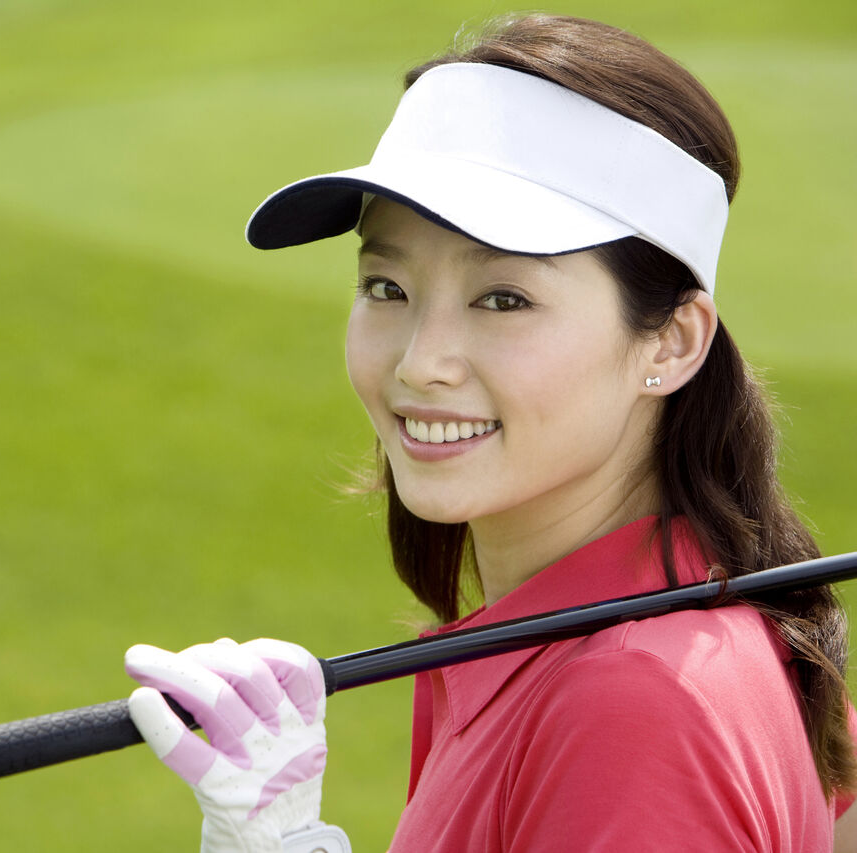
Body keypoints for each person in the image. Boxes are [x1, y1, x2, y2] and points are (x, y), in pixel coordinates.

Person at [123, 14, 857, 851]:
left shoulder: (630, 701)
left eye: (504, 299)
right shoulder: (705, 619)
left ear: (673, 341)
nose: (420, 363)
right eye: (387, 286)